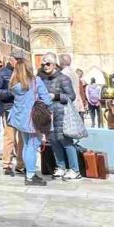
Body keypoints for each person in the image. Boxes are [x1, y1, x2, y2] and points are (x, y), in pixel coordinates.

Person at [8, 58, 52, 186]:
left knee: (27, 145)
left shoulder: (14, 84)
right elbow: (46, 99)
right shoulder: (35, 81)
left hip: (19, 118)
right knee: (32, 146)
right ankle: (30, 176)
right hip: (33, 119)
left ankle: (29, 172)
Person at [38, 53, 82, 181]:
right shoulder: (44, 80)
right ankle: (61, 167)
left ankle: (74, 169)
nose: (45, 67)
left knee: (66, 141)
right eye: (43, 65)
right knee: (54, 141)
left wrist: (55, 96)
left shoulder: (63, 79)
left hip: (62, 114)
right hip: (49, 114)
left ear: (54, 64)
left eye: (48, 64)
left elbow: (71, 96)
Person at [0, 53, 25, 176]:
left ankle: (21, 164)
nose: (18, 62)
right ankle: (6, 164)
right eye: (16, 59)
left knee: (22, 139)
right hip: (9, 108)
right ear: (10, 59)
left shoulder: (24, 72)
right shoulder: (2, 73)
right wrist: (12, 93)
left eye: (20, 60)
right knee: (9, 138)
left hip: (22, 109)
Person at [59, 54, 86, 121]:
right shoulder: (75, 74)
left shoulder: (63, 74)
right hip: (77, 103)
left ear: (60, 62)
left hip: (68, 104)